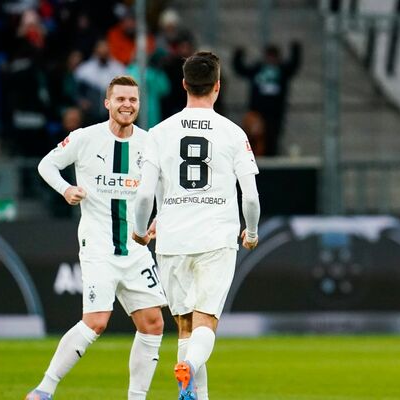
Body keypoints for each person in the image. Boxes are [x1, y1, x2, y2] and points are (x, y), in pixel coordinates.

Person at [132, 51, 261, 400]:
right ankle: (188, 365)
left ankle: (192, 393)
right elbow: (250, 196)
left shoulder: (157, 133)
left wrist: (140, 229)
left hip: (172, 239)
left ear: (184, 84)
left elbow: (144, 195)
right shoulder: (233, 134)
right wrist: (251, 232)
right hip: (216, 238)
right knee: (206, 322)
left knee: (185, 325)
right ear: (217, 86)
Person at [28, 76, 166, 400]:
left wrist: (159, 218)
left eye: (132, 100)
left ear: (139, 105)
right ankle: (43, 390)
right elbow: (46, 165)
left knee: (153, 323)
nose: (127, 105)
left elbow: (164, 188)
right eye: (120, 99)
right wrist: (66, 189)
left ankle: (137, 398)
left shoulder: (150, 144)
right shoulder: (84, 138)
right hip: (99, 246)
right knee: (96, 322)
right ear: (107, 103)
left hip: (136, 247)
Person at [233, 42, 301, 156]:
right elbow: (241, 70)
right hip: (257, 112)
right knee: (255, 138)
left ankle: (270, 158)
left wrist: (296, 50)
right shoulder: (258, 69)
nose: (271, 59)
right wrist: (238, 55)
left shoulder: (281, 70)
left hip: (275, 113)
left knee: (272, 138)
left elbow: (293, 66)